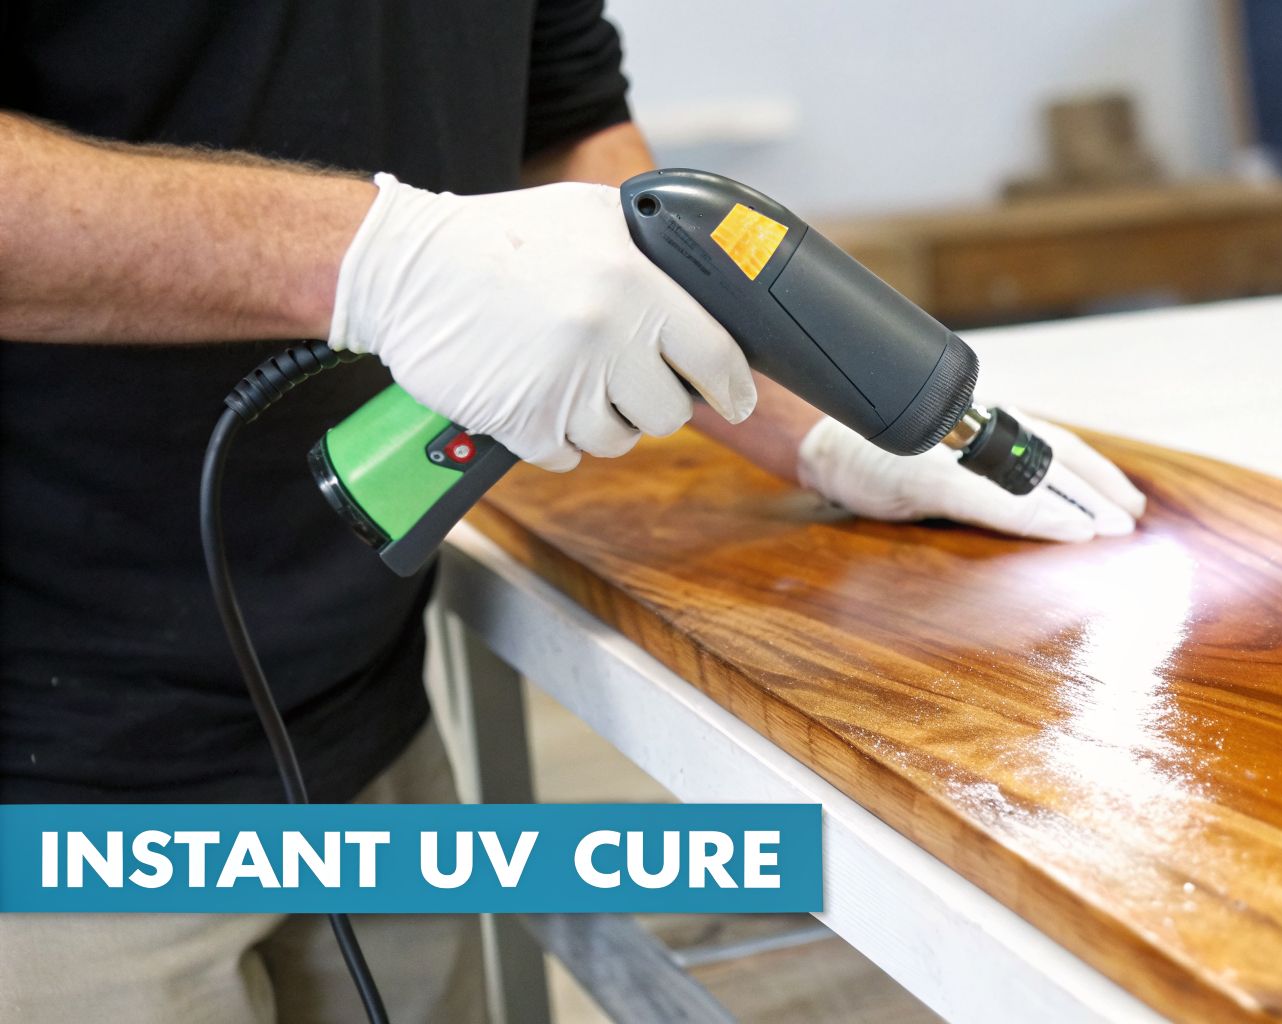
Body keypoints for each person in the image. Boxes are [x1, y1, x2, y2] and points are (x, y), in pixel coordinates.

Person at [0, 3, 1145, 1021]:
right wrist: (376, 257)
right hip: (50, 781)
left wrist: (813, 423)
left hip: (354, 705)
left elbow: (568, 122)